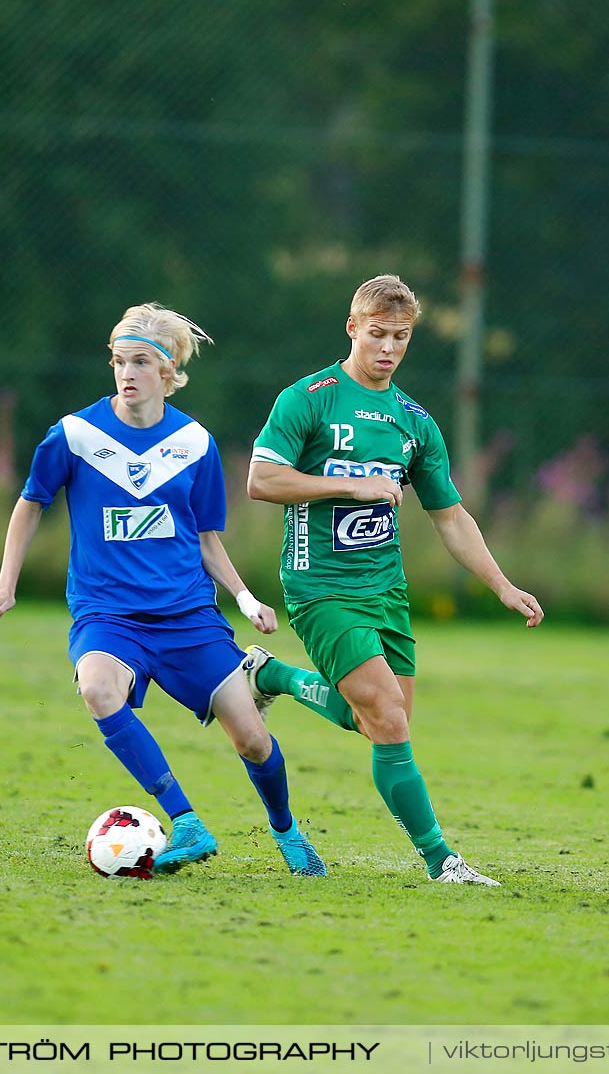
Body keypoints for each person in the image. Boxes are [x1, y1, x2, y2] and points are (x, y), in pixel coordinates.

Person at [0, 303, 325, 877]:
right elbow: (29, 505)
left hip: (188, 616)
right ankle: (186, 821)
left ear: (169, 374)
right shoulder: (76, 435)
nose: (127, 373)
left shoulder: (195, 443)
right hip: (108, 615)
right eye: (119, 361)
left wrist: (244, 599)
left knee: (253, 740)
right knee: (97, 688)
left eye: (141, 362)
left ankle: (287, 832)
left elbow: (207, 540)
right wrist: (5, 584)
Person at [243, 274, 543, 886]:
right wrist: (350, 484)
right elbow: (262, 480)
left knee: (378, 719)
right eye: (377, 334)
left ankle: (270, 675)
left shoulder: (415, 422)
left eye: (400, 337)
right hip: (319, 585)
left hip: (387, 589)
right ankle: (443, 861)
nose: (387, 347)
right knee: (386, 714)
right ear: (352, 328)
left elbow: (452, 517)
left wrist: (503, 586)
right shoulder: (309, 398)